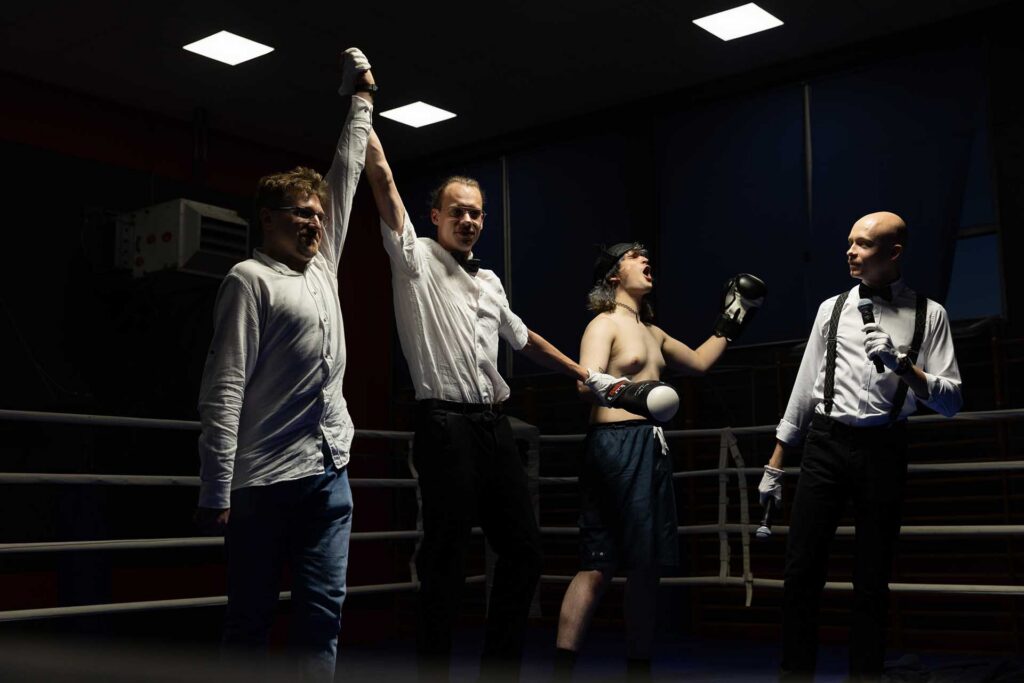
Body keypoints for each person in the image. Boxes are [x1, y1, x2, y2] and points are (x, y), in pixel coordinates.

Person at [363, 128, 622, 681]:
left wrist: (586, 375)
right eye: (457, 211)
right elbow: (382, 180)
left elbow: (524, 339)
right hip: (443, 424)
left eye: (476, 213)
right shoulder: (416, 259)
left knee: (525, 552)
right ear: (435, 216)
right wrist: (363, 105)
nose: (468, 220)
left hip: (492, 426)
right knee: (446, 558)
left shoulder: (489, 281)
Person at [194, 48, 376, 681]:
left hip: (330, 472)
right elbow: (224, 388)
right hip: (264, 481)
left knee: (323, 615)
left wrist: (361, 100)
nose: (315, 223)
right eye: (302, 213)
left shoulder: (323, 267)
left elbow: (346, 175)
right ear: (268, 218)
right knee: (250, 619)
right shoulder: (248, 279)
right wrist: (217, 487)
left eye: (319, 215)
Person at [758, 211, 963, 682]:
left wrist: (904, 365)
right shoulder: (830, 309)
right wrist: (775, 462)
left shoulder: (930, 313)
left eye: (864, 244)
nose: (851, 251)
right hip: (826, 444)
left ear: (894, 252)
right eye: (850, 242)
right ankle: (795, 674)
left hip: (884, 448)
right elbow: (804, 387)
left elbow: (952, 401)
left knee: (872, 576)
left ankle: (865, 676)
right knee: (801, 568)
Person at [553, 242, 766, 681]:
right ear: (614, 275)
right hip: (613, 445)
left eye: (645, 254)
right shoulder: (604, 323)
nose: (644, 258)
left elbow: (700, 363)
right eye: (634, 255)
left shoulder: (654, 332)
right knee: (599, 563)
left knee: (646, 567)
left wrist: (733, 319)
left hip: (652, 446)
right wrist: (632, 393)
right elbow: (584, 383)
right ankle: (562, 669)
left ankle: (639, 670)